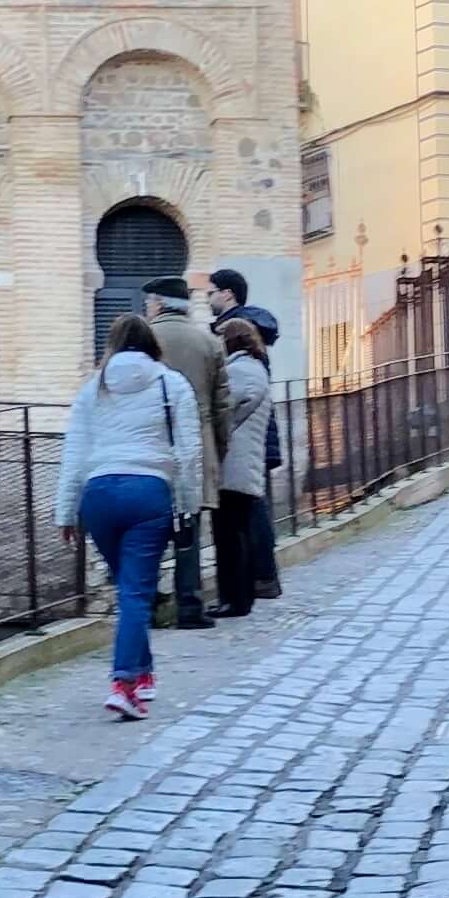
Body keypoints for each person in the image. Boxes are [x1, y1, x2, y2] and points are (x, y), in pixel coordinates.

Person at [54, 312, 202, 718]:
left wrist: (66, 511)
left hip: (98, 495)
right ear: (152, 343)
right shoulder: (172, 385)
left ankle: (144, 672)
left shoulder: (93, 389)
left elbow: (75, 453)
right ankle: (123, 683)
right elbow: (189, 452)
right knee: (136, 593)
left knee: (129, 589)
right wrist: (189, 504)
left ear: (113, 345)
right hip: (147, 494)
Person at [144, 273, 231, 630]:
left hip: (150, 442)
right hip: (198, 443)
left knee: (147, 530)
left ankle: (147, 604)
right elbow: (223, 403)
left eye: (149, 302)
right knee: (189, 528)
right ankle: (190, 607)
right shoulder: (209, 342)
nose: (147, 308)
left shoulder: (144, 338)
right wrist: (218, 447)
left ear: (160, 304)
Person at [210, 267, 287, 604]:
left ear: (227, 293)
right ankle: (260, 579)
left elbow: (232, 400)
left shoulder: (238, 334)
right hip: (256, 436)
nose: (207, 297)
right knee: (251, 511)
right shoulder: (249, 334)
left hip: (245, 439)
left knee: (246, 514)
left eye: (211, 291)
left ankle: (260, 579)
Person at [212, 314, 273, 619]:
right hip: (244, 464)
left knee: (229, 536)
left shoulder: (239, 371)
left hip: (234, 466)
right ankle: (239, 598)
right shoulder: (253, 367)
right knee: (238, 534)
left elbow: (224, 410)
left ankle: (233, 600)